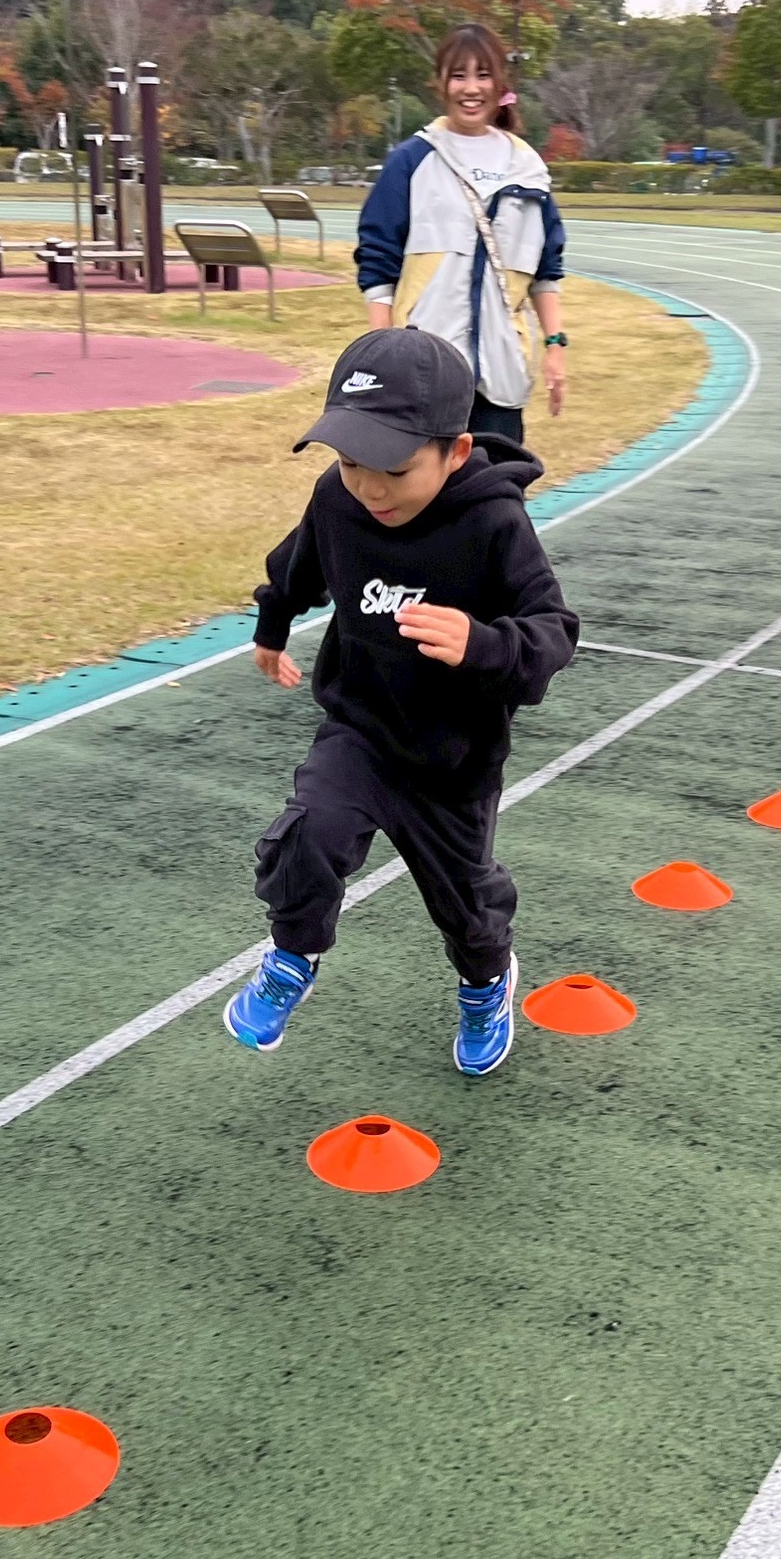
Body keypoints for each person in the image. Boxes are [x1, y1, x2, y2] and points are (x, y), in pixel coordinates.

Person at [223, 327, 579, 1077]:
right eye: (351, 462)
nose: (370, 488)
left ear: (455, 452)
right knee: (307, 837)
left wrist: (483, 643)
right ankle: (292, 958)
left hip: (453, 760)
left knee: (466, 908)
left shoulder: (493, 520)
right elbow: (297, 567)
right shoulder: (338, 500)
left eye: (392, 468)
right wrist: (272, 626)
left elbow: (553, 631)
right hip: (359, 729)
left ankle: (486, 983)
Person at [354, 22, 568, 446]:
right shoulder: (411, 161)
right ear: (440, 83)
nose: (471, 88)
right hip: (422, 373)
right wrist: (381, 353)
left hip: (501, 373)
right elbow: (377, 264)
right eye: (458, 75)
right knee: (422, 487)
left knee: (497, 485)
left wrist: (555, 346)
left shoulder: (528, 168)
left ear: (500, 83)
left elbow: (546, 269)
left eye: (483, 75)